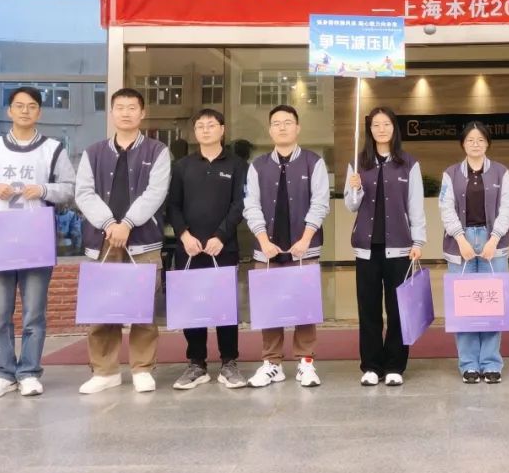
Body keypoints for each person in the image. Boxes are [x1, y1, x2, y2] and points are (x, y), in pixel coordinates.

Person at [0, 86, 76, 399]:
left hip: (35, 239)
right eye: (19, 105)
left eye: (31, 106)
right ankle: (3, 373)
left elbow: (70, 188)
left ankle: (28, 372)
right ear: (9, 111)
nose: (25, 111)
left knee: (34, 314)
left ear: (39, 112)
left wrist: (44, 190)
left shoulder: (52, 149)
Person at [75, 87, 171, 394]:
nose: (126, 112)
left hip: (142, 241)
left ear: (142, 113)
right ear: (112, 112)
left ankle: (142, 368)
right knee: (102, 308)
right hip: (102, 240)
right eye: (120, 107)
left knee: (143, 308)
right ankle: (105, 371)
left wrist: (128, 223)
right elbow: (83, 193)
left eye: (132, 107)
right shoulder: (93, 152)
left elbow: (156, 192)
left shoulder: (157, 151)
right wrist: (109, 224)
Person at [243, 104, 331, 388]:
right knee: (270, 307)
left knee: (304, 307)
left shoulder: (313, 162)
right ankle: (272, 364)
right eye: (277, 123)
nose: (282, 127)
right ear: (270, 130)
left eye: (288, 122)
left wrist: (305, 239)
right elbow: (250, 205)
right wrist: (263, 240)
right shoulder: (257, 166)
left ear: (298, 128)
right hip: (267, 249)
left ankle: (306, 362)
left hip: (303, 248)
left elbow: (320, 203)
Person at [166, 108, 249, 391]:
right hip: (189, 248)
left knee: (226, 307)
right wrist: (184, 235)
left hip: (223, 247)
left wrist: (222, 235)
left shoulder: (237, 165)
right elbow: (173, 205)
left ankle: (229, 362)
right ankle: (196, 364)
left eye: (211, 125)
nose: (205, 129)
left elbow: (240, 204)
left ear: (222, 129)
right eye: (200, 126)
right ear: (195, 132)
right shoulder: (182, 166)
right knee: (194, 306)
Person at [344, 106, 426, 386]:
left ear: (394, 128)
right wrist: (355, 188)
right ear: (369, 129)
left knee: (397, 308)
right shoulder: (358, 163)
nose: (381, 129)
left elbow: (415, 206)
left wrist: (418, 241)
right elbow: (350, 205)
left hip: (400, 248)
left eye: (386, 124)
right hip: (366, 249)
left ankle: (394, 366)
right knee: (368, 309)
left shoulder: (408, 163)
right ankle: (371, 366)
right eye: (376, 125)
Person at [439, 121, 509, 383]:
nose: (475, 144)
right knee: (465, 306)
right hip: (461, 243)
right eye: (470, 140)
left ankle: (491, 362)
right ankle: (469, 364)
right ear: (463, 144)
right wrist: (460, 239)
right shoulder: (450, 173)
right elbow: (446, 208)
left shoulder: (501, 172)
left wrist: (494, 239)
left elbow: (507, 208)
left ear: (488, 143)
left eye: (480, 140)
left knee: (493, 304)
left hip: (493, 242)